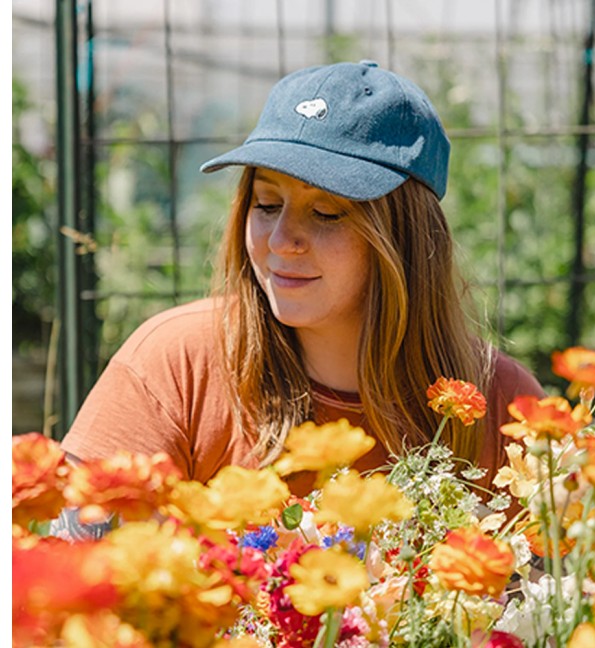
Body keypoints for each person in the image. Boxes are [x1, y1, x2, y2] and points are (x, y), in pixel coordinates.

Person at [53, 60, 544, 539]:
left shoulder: (501, 405)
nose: (282, 239)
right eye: (266, 204)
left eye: (326, 211)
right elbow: (71, 569)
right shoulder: (175, 363)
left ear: (406, 236)